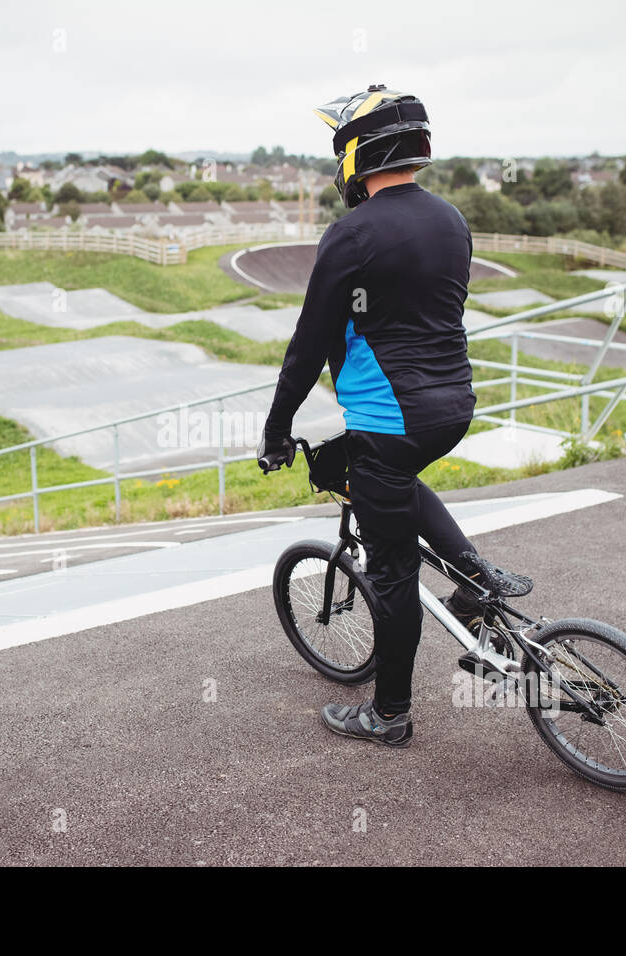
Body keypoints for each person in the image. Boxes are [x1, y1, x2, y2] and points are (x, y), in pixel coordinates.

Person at [257, 85, 532, 748]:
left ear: (357, 154)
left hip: (391, 418)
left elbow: (306, 346)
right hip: (453, 407)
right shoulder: (452, 221)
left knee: (392, 576)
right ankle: (476, 577)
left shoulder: (351, 234)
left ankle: (389, 714)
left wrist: (276, 431)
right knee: (394, 477)